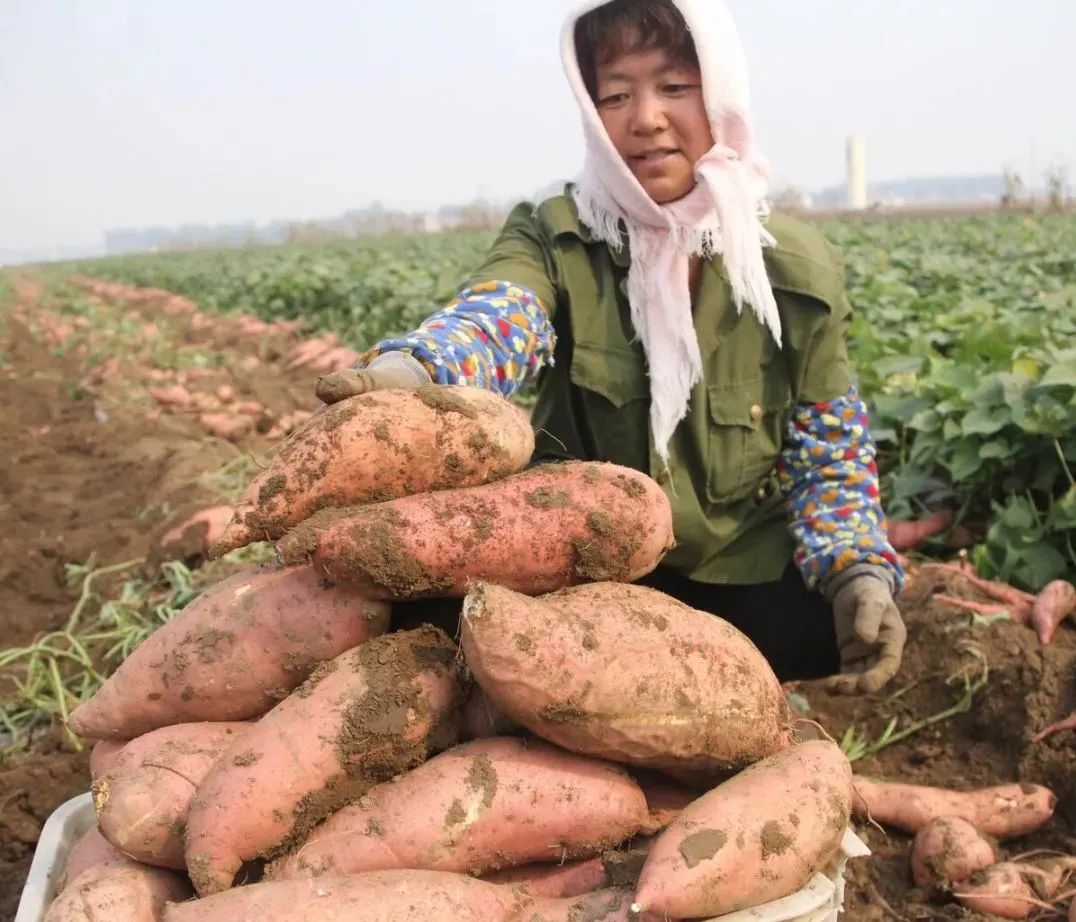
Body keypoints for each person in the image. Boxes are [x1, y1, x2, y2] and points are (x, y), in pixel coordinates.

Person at [316, 0, 907, 693]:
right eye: (616, 94)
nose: (646, 118)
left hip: (729, 574)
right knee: (425, 617)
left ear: (721, 96)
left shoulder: (793, 268)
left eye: (674, 88)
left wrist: (857, 570)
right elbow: (497, 320)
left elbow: (829, 454)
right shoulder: (558, 233)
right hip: (577, 575)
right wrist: (414, 371)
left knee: (846, 622)